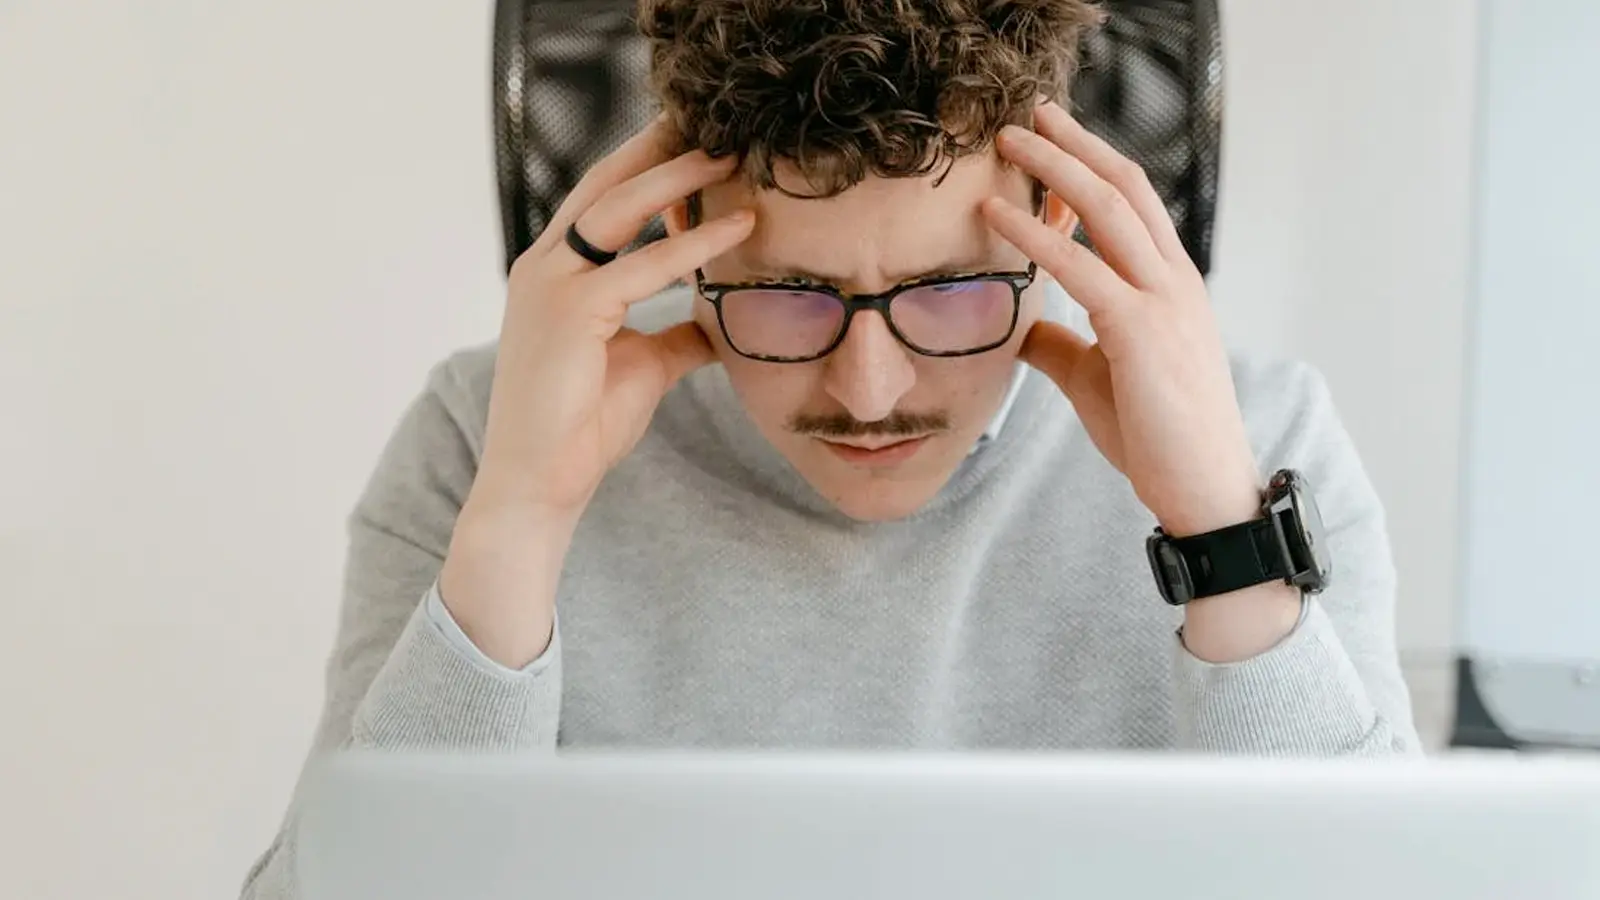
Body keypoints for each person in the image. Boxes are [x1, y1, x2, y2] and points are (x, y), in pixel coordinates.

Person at [242, 0, 1420, 894]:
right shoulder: (482, 437)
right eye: (789, 296)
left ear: (1057, 220)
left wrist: (1218, 532)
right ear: (679, 231)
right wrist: (520, 522)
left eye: (950, 291)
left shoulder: (1262, 444)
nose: (870, 392)